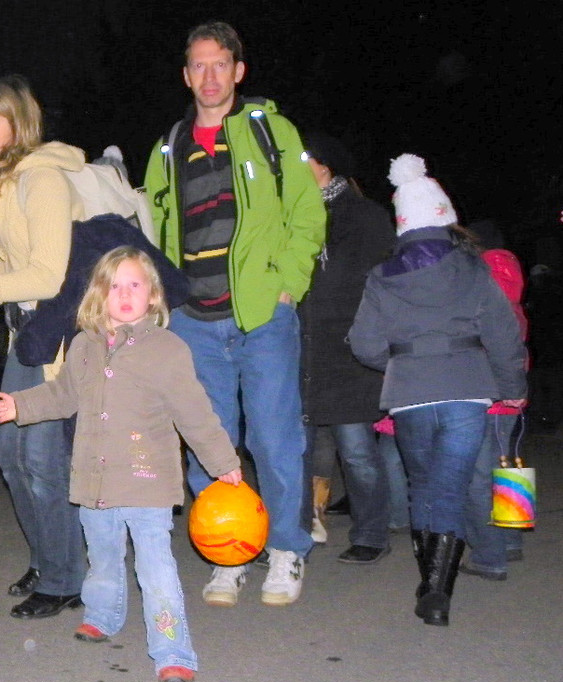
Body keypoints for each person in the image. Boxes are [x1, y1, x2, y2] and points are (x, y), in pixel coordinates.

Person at [0, 246, 242, 682]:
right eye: (114, 287)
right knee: (103, 556)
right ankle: (103, 615)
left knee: (156, 569)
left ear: (153, 295)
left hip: (148, 481)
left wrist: (222, 462)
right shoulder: (84, 346)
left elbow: (194, 412)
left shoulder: (167, 349)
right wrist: (21, 405)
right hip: (94, 480)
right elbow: (63, 395)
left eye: (134, 285)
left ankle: (173, 652)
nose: (124, 294)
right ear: (98, 294)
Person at [143, 21, 326, 607]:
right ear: (186, 75)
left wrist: (287, 286)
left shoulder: (270, 130)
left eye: (220, 63)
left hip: (261, 315)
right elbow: (152, 230)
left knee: (274, 439)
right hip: (193, 318)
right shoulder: (168, 146)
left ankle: (287, 549)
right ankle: (228, 550)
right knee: (209, 443)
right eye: (199, 65)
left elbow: (306, 213)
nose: (210, 75)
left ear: (238, 71)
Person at [349, 153, 527, 627]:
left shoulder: (382, 276)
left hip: (409, 394)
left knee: (425, 487)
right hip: (467, 390)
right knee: (448, 488)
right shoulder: (473, 268)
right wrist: (512, 387)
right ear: (445, 216)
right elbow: (504, 334)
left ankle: (431, 582)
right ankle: (436, 592)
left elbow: (363, 343)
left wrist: (401, 363)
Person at [0, 74, 87, 618]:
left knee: (42, 459)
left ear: (18, 125)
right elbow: (18, 261)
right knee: (12, 456)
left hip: (61, 335)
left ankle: (64, 578)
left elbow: (50, 275)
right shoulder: (1, 185)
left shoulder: (43, 180)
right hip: (26, 333)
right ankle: (48, 558)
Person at [298, 131, 395, 562]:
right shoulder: (290, 213)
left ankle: (372, 533)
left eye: (302, 157)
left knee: (356, 451)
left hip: (348, 352)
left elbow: (377, 283)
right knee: (299, 451)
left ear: (325, 164)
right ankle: (297, 532)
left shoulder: (363, 216)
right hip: (301, 350)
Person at [460, 220, 531, 579]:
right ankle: (511, 540)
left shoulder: (482, 280)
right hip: (512, 388)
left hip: (486, 388)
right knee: (507, 467)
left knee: (478, 475)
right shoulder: (511, 280)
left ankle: (489, 556)